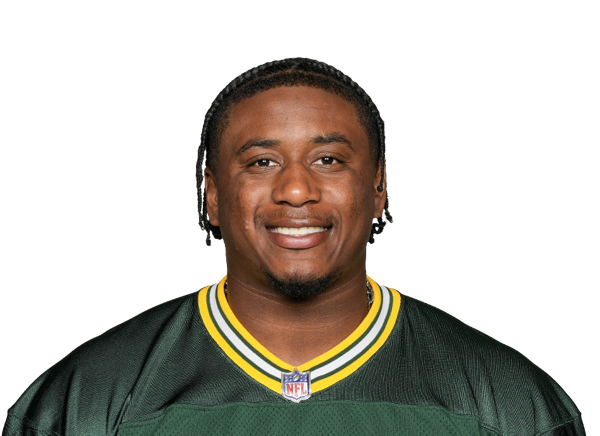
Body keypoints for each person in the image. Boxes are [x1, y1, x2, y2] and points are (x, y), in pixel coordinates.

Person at [3, 57, 584, 435]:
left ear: (378, 187)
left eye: (328, 159)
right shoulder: (86, 400)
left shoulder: (508, 402)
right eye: (262, 162)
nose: (297, 189)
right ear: (211, 194)